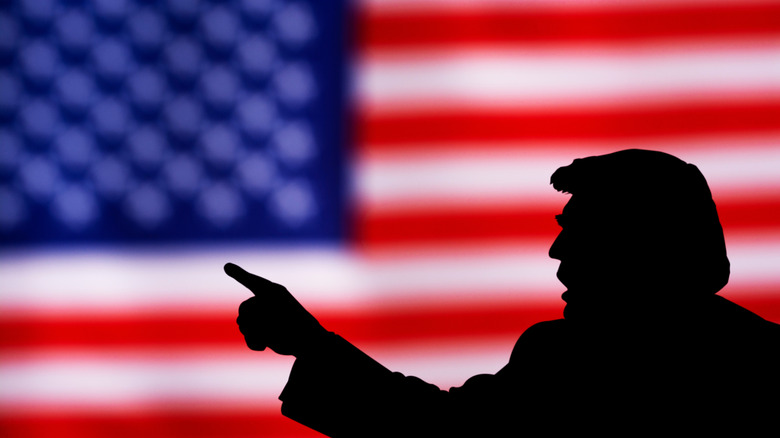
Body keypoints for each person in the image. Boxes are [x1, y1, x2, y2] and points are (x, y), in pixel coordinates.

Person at [225, 149, 780, 437]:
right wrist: (312, 344)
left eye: (579, 231)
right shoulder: (561, 356)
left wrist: (312, 346)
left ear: (639, 244)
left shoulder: (565, 361)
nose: (557, 253)